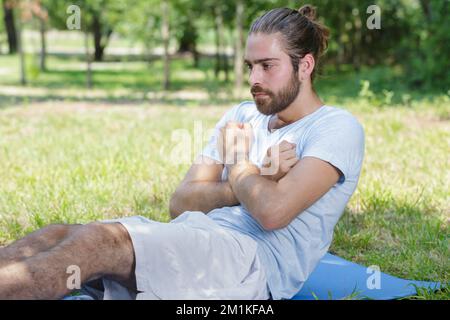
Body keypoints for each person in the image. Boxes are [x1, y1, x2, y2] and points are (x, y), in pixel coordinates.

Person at [0, 4, 365, 300]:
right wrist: (256, 178)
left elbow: (271, 212)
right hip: (198, 235)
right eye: (251, 66)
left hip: (248, 265)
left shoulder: (335, 127)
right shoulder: (242, 115)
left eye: (268, 66)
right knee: (59, 235)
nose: (255, 79)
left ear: (305, 65)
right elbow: (181, 203)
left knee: (99, 243)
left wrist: (238, 162)